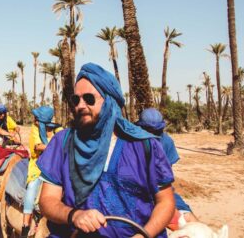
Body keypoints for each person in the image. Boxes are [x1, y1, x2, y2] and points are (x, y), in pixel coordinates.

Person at [37, 63, 175, 238]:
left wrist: (143, 235)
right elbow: (47, 201)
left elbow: (166, 202)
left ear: (110, 101)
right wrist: (74, 215)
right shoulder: (62, 142)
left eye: (89, 98)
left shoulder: (145, 146)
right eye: (75, 99)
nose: (80, 105)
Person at [135, 108, 199, 224]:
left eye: (156, 131)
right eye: (149, 130)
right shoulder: (131, 142)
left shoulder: (167, 142)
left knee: (189, 219)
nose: (152, 134)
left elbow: (165, 177)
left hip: (160, 191)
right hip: (135, 192)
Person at [21, 106, 62, 238]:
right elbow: (38, 146)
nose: (35, 120)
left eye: (37, 118)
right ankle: (25, 224)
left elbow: (65, 138)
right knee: (32, 187)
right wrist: (57, 146)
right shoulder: (35, 129)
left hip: (55, 166)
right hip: (38, 166)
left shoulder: (57, 129)